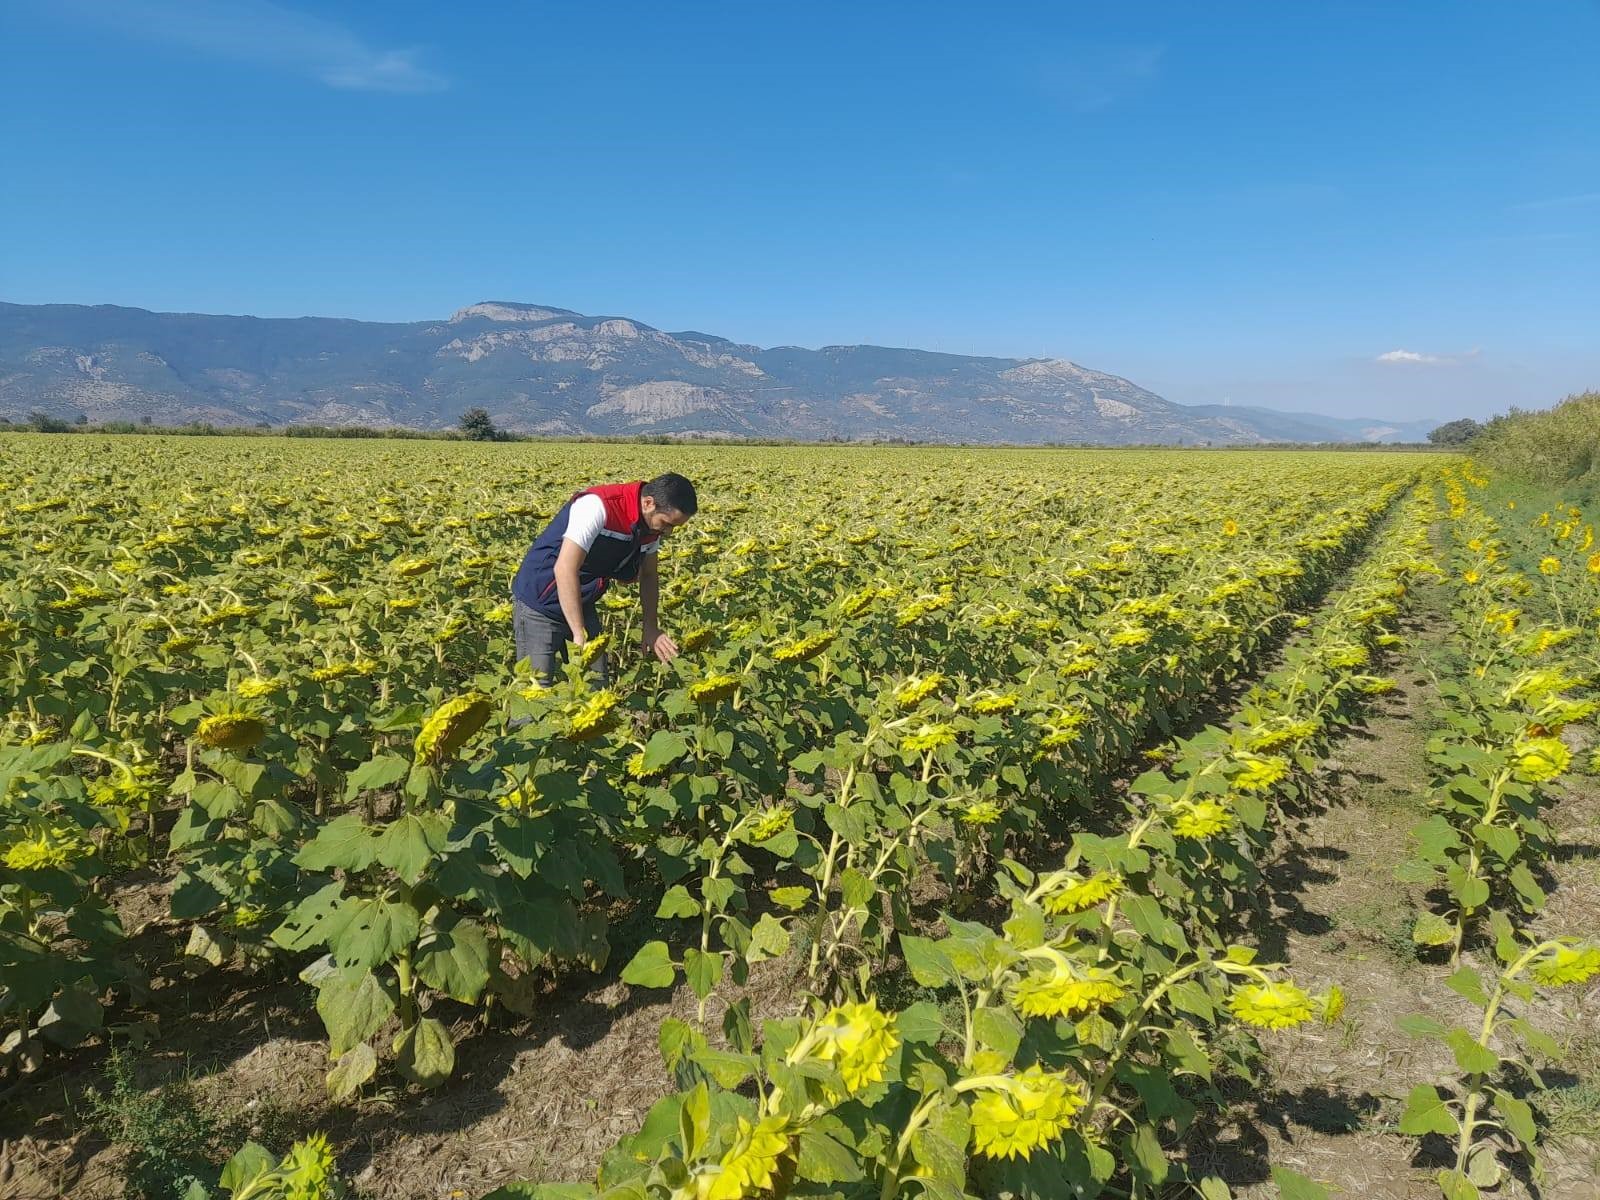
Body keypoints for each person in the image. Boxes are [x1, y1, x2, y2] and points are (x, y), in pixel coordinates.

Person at [511, 473, 696, 682]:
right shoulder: (597, 506)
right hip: (540, 601)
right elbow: (565, 569)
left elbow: (649, 575)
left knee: (596, 681)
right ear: (648, 503)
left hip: (581, 600)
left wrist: (651, 627)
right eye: (667, 523)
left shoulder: (651, 526)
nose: (668, 532)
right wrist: (579, 633)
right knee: (536, 685)